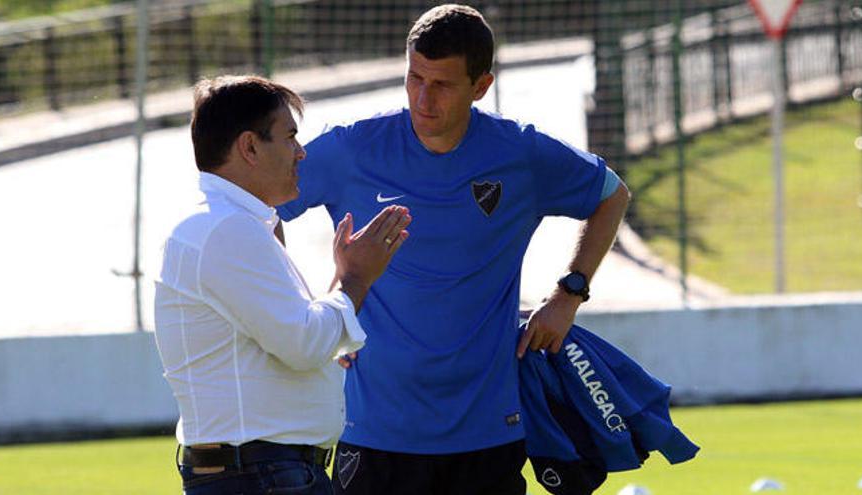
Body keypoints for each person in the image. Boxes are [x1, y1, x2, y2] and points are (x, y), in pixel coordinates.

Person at [276, 4, 630, 494]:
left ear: (480, 86)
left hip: (488, 429)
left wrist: (569, 293)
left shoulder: (520, 154)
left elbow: (612, 194)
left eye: (441, 84)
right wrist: (314, 315)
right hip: (376, 429)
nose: (423, 98)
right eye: (414, 77)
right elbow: (262, 208)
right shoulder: (353, 149)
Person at [153, 75, 411, 495]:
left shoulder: (224, 225)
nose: (301, 151)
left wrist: (340, 296)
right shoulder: (227, 229)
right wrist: (355, 277)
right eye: (289, 136)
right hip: (260, 474)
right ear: (250, 147)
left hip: (258, 472)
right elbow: (304, 343)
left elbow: (294, 341)